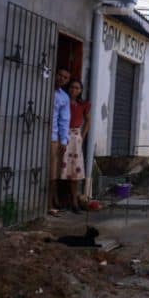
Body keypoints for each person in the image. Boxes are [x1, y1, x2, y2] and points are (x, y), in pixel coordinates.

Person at [60, 79, 90, 213]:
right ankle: (58, 200)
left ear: (81, 90)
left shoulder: (83, 104)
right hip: (62, 135)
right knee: (60, 169)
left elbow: (88, 121)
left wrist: (82, 136)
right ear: (68, 88)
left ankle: (74, 202)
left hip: (76, 138)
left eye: (77, 88)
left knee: (75, 172)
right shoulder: (63, 101)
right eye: (72, 87)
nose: (74, 90)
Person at [49, 67, 71, 214]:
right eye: (60, 75)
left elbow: (64, 119)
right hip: (36, 133)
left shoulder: (64, 97)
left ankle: (51, 202)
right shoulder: (44, 88)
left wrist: (63, 140)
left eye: (65, 77)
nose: (61, 79)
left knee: (53, 171)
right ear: (55, 74)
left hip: (53, 137)